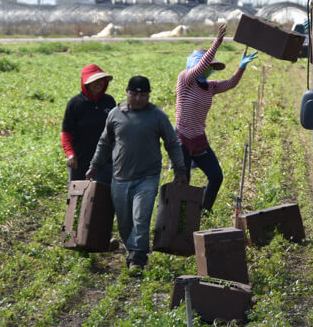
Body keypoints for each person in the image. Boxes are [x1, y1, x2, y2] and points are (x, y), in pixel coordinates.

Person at [86, 75, 186, 271]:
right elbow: (104, 143)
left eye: (143, 95)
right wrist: (94, 165)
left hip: (147, 177)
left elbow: (172, 143)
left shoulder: (157, 116)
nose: (138, 99)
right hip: (120, 177)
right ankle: (132, 249)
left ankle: (137, 259)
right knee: (124, 222)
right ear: (127, 93)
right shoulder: (115, 114)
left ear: (148, 95)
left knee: (141, 219)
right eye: (134, 94)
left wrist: (180, 169)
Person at [176, 23, 257, 213]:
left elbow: (230, 83)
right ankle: (179, 216)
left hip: (198, 138)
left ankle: (204, 210)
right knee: (183, 180)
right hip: (181, 138)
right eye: (207, 66)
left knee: (216, 176)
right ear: (195, 66)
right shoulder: (185, 80)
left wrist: (241, 67)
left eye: (211, 67)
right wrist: (218, 42)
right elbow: (200, 66)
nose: (209, 69)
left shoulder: (210, 87)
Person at [61, 64, 116, 184]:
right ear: (86, 83)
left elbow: (115, 130)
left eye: (101, 80)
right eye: (94, 80)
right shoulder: (75, 104)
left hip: (105, 160)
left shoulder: (109, 101)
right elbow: (66, 133)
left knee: (102, 194)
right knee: (79, 196)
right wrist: (70, 154)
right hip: (80, 160)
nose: (99, 83)